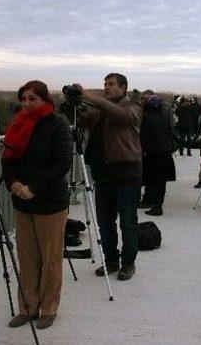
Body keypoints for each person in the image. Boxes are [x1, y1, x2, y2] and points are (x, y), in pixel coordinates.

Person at [2, 80, 73, 330]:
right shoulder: (18, 124)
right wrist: (14, 184)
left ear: (44, 100)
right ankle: (27, 308)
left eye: (32, 98)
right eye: (23, 98)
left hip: (50, 202)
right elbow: (7, 159)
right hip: (23, 202)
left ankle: (48, 308)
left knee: (50, 259)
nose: (27, 103)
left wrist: (34, 187)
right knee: (27, 258)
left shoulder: (57, 125)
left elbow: (62, 163)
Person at [73, 73, 143, 281]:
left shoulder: (132, 106)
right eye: (105, 84)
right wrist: (74, 104)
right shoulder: (98, 110)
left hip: (127, 170)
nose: (106, 87)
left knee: (127, 221)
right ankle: (111, 260)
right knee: (105, 221)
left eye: (111, 84)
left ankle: (128, 263)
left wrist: (90, 96)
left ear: (123, 89)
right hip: (103, 171)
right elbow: (82, 121)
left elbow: (122, 116)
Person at [140, 93, 177, 216]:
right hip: (165, 152)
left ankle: (153, 204)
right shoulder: (165, 116)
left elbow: (143, 136)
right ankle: (158, 204)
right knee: (161, 181)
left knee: (152, 179)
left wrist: (142, 148)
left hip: (152, 153)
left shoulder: (147, 117)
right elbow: (171, 132)